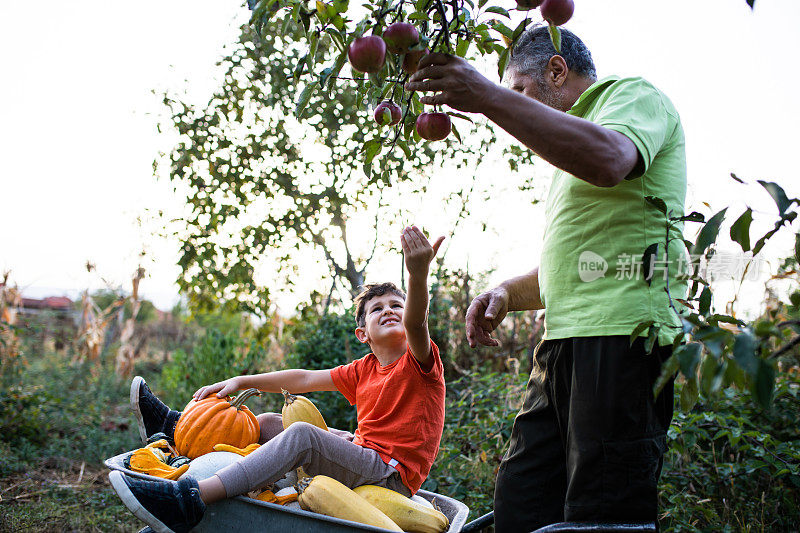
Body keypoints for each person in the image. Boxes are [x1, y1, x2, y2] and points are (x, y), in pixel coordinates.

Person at [406, 26, 686, 531]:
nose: (511, 109)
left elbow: (611, 160)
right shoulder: (568, 152)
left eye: (519, 91)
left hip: (622, 339)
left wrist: (487, 96)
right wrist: (506, 293)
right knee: (522, 503)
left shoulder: (631, 97)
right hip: (561, 346)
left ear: (557, 70)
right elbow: (574, 266)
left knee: (601, 516)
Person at [110, 225, 447, 533]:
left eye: (396, 305)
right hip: (366, 455)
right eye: (377, 309)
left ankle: (189, 501)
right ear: (363, 334)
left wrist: (418, 275)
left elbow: (417, 322)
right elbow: (302, 378)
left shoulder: (420, 361)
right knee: (272, 422)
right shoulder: (364, 368)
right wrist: (243, 381)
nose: (389, 310)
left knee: (303, 435)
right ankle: (177, 431)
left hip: (390, 475)